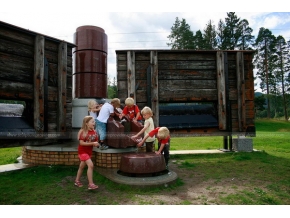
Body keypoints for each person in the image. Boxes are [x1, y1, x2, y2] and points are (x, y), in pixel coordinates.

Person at [75, 116, 100, 190]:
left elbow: (95, 142)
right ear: (86, 123)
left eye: (94, 122)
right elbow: (81, 143)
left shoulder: (94, 132)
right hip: (82, 151)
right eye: (92, 122)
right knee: (91, 165)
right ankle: (91, 184)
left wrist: (97, 144)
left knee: (81, 167)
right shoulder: (83, 132)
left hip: (89, 152)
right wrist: (93, 143)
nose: (94, 123)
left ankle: (77, 181)